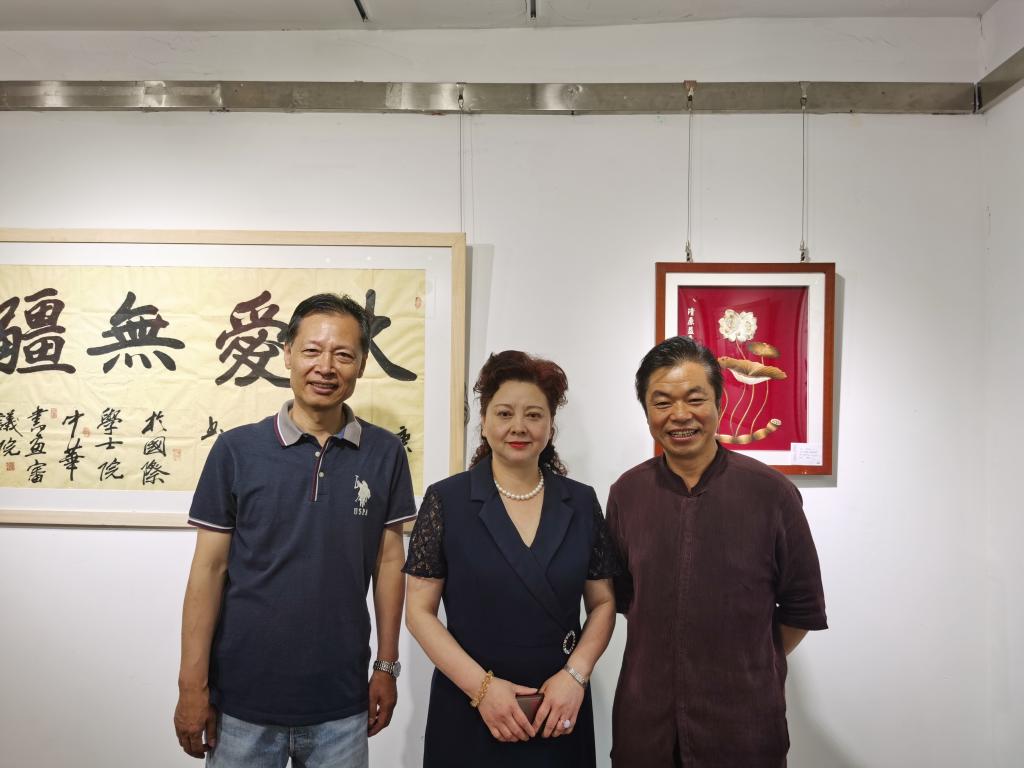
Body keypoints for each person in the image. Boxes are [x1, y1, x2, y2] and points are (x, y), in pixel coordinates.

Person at [173, 293, 416, 768]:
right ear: (287, 353)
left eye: (343, 354)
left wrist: (386, 666)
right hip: (240, 702)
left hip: (341, 703)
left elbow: (390, 561)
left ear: (362, 364)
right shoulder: (237, 450)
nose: (326, 367)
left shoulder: (385, 453)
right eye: (312, 350)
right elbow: (208, 570)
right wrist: (191, 684)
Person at [607, 336, 828, 768]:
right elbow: (625, 598)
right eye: (662, 402)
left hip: (744, 729)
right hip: (645, 729)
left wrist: (744, 662)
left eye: (695, 399)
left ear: (720, 404)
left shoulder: (771, 493)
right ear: (647, 412)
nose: (680, 415)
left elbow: (801, 608)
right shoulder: (627, 494)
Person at [404, 350, 618, 768]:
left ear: (551, 426)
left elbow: (604, 603)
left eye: (534, 415)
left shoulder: (580, 501)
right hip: (469, 704)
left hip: (558, 707)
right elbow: (418, 611)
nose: (519, 426)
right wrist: (483, 690)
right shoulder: (447, 500)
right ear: (484, 422)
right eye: (504, 413)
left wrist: (575, 676)